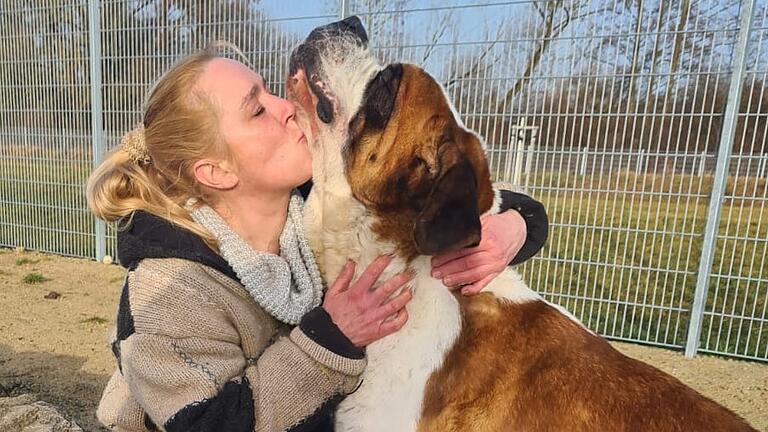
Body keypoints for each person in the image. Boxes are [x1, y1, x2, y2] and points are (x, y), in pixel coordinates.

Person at [87, 44, 548, 432]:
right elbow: (209, 425)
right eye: (258, 109)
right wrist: (331, 337)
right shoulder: (167, 294)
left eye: (270, 91)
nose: (289, 107)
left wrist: (517, 225)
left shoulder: (310, 207)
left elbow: (444, 189)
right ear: (217, 171)